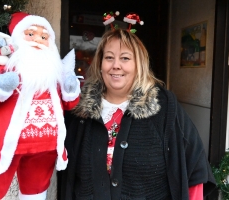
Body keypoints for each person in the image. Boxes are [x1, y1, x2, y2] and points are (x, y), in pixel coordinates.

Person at [57, 28, 216, 200]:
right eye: (109, 57)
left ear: (138, 65)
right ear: (100, 64)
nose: (116, 65)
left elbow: (194, 167)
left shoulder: (165, 108)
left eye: (125, 58)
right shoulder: (79, 110)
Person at [0, 12, 80, 200]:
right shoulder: (5, 66)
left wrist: (70, 86)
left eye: (44, 37)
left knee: (36, 191)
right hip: (2, 145)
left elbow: (69, 103)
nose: (37, 40)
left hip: (44, 147)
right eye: (30, 34)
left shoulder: (54, 74)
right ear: (18, 38)